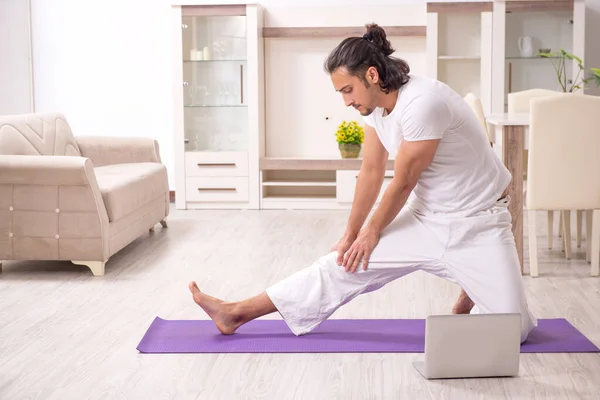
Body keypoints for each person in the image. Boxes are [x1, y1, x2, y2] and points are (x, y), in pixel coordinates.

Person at [188, 23, 538, 343]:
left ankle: (474, 285)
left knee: (516, 329)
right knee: (345, 263)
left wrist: (372, 232)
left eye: (348, 90)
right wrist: (351, 234)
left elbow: (402, 182)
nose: (346, 101)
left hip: (479, 221)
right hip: (429, 217)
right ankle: (235, 313)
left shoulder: (423, 103)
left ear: (372, 75)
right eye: (340, 93)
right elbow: (371, 172)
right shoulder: (375, 109)